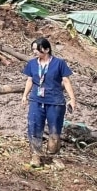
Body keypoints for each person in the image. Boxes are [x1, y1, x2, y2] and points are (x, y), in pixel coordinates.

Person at [21, 37, 77, 167]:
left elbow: (66, 81)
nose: (34, 52)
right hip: (36, 100)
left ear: (46, 49)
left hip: (55, 102)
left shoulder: (59, 63)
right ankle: (36, 155)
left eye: (37, 49)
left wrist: (72, 99)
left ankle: (54, 155)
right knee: (34, 127)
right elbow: (30, 80)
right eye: (33, 49)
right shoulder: (32, 64)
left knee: (55, 129)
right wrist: (25, 95)